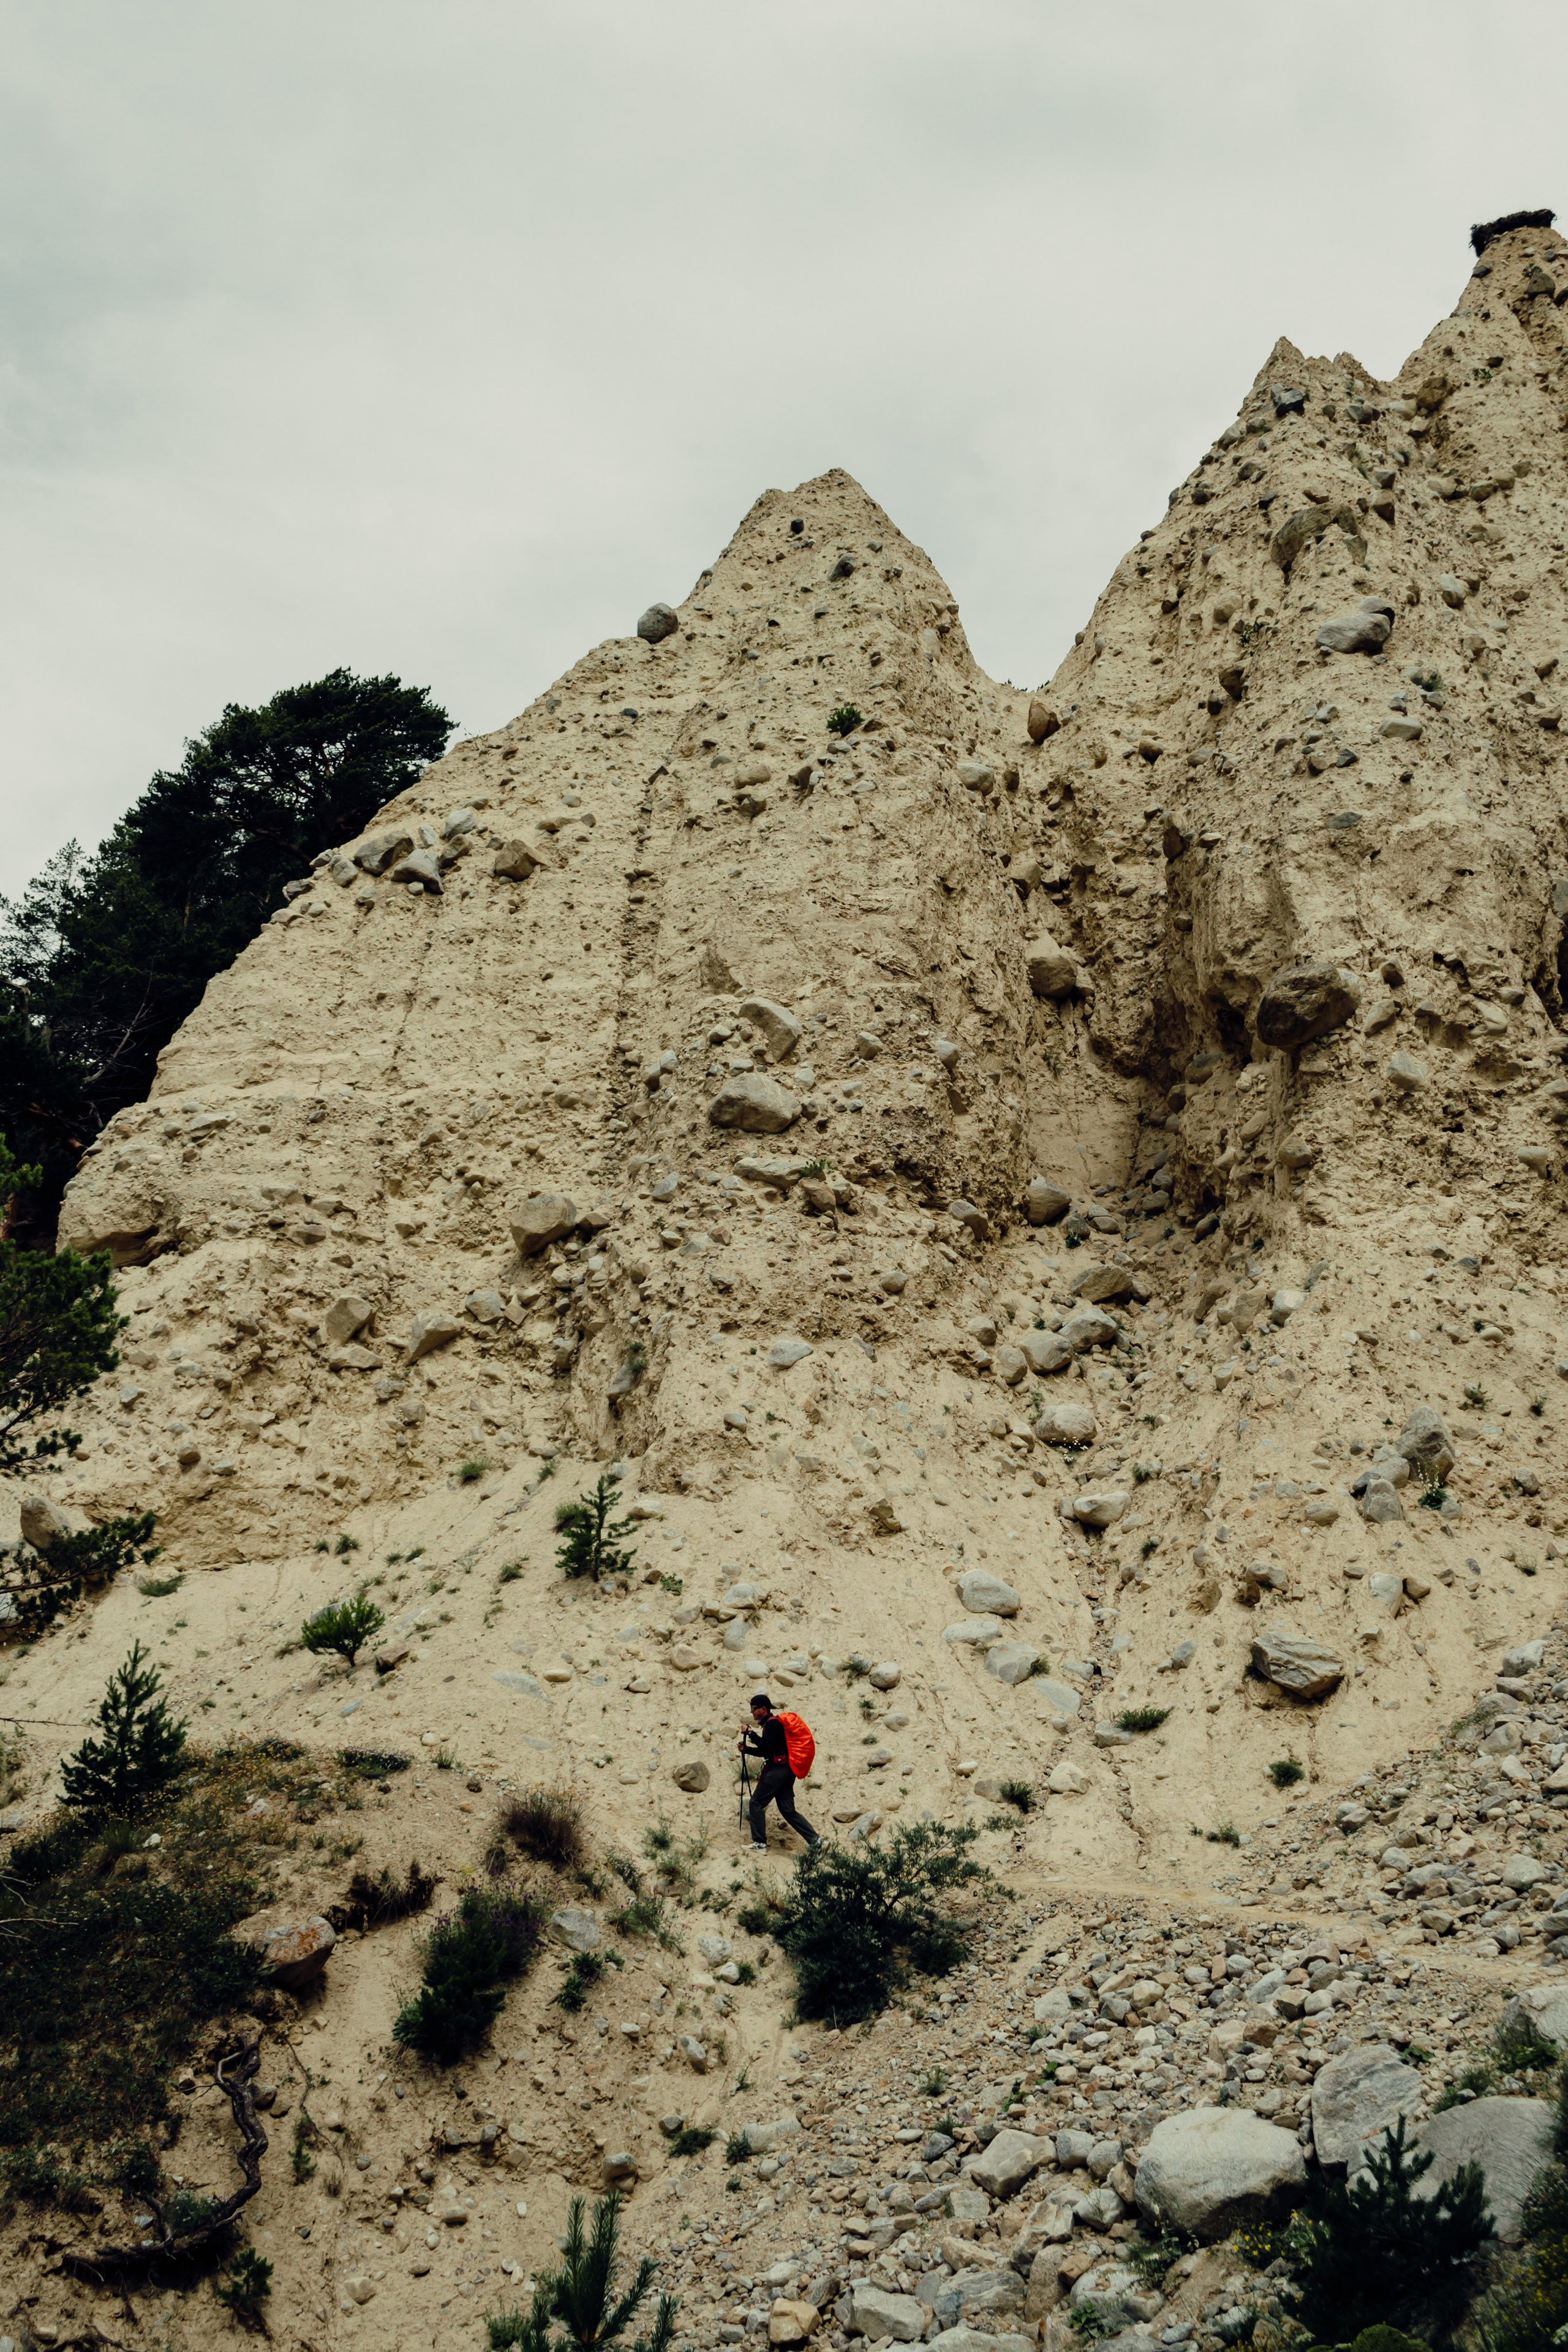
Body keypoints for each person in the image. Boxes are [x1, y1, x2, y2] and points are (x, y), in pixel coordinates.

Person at [737, 1692, 820, 1853]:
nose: (752, 1712)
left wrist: (750, 1733)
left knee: (756, 1803)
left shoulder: (772, 1723)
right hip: (787, 1772)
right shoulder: (771, 1724)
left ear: (763, 1709)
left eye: (754, 1709)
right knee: (788, 1810)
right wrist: (747, 1750)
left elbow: (766, 1746)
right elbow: (767, 1750)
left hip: (777, 1771)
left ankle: (760, 1844)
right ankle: (816, 1841)